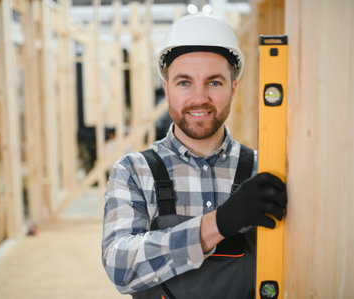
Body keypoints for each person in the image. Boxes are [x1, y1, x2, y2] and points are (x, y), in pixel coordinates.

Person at [102, 12, 287, 299]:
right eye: (184, 82)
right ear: (167, 89)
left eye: (214, 82)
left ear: (233, 88)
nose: (199, 98)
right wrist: (221, 223)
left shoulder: (263, 170)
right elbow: (120, 268)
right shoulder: (134, 171)